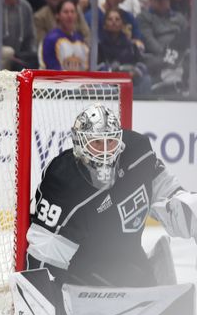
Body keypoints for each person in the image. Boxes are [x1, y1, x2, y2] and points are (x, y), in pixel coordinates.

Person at [26, 104, 196, 289]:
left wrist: (186, 207)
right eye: (97, 142)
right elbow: (45, 253)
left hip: (130, 266)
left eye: (111, 141)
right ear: (80, 143)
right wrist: (45, 302)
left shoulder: (137, 151)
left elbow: (162, 185)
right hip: (81, 281)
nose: (106, 151)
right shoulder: (62, 180)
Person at [41, 0, 89, 71]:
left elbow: (86, 68)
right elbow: (52, 69)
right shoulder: (50, 40)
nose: (70, 15)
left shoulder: (80, 39)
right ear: (58, 15)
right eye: (66, 12)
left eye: (72, 12)